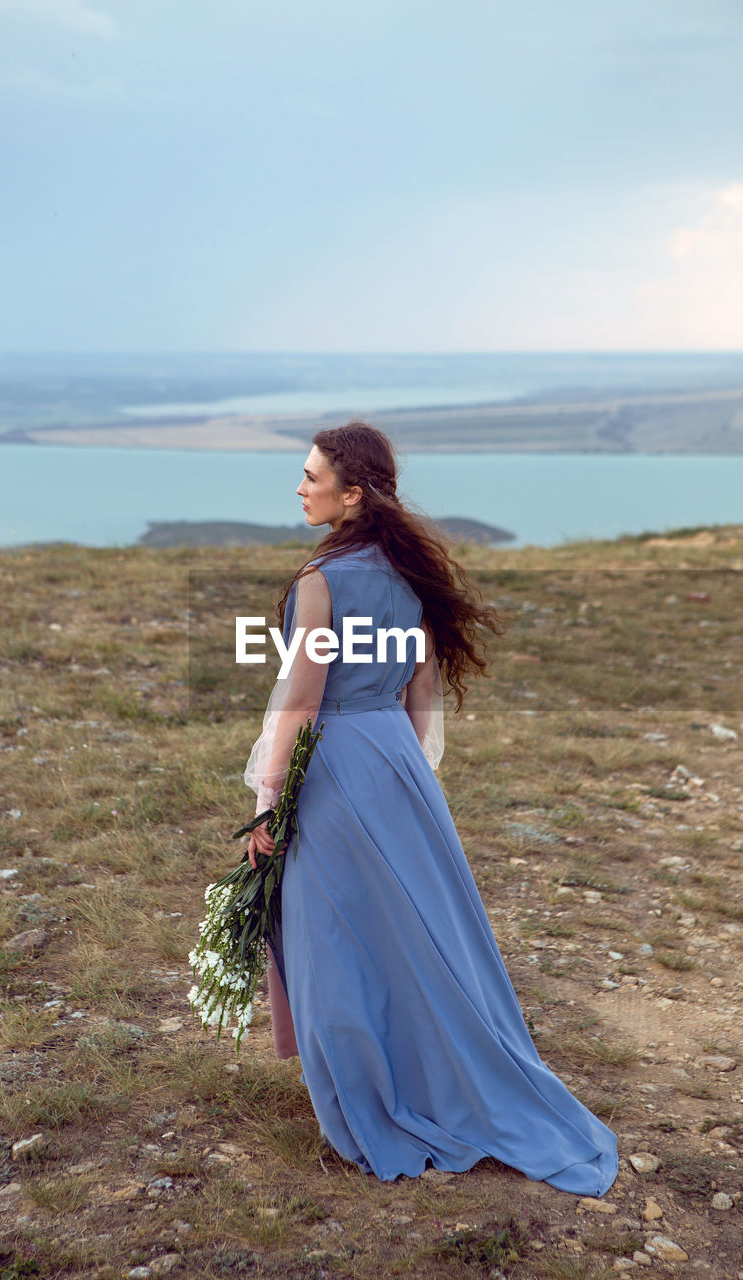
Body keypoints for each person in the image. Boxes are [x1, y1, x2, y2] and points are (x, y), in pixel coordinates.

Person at [243, 421, 618, 1195]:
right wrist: (408, 777)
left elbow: (301, 701)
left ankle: (372, 1103)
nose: (300, 485)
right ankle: (448, 1074)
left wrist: (268, 799)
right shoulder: (408, 574)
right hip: (396, 766)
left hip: (339, 766)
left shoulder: (321, 580)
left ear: (351, 495)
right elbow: (419, 696)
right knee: (417, 934)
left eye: (311, 475)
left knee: (336, 939)